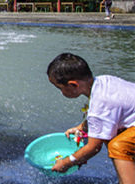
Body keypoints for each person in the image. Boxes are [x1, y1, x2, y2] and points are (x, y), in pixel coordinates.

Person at [47, 53, 135, 183]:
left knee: (118, 145)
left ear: (73, 85)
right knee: (110, 134)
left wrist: (67, 162)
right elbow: (107, 116)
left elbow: (93, 147)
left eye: (60, 88)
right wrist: (81, 128)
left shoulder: (99, 104)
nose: (61, 93)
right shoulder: (104, 81)